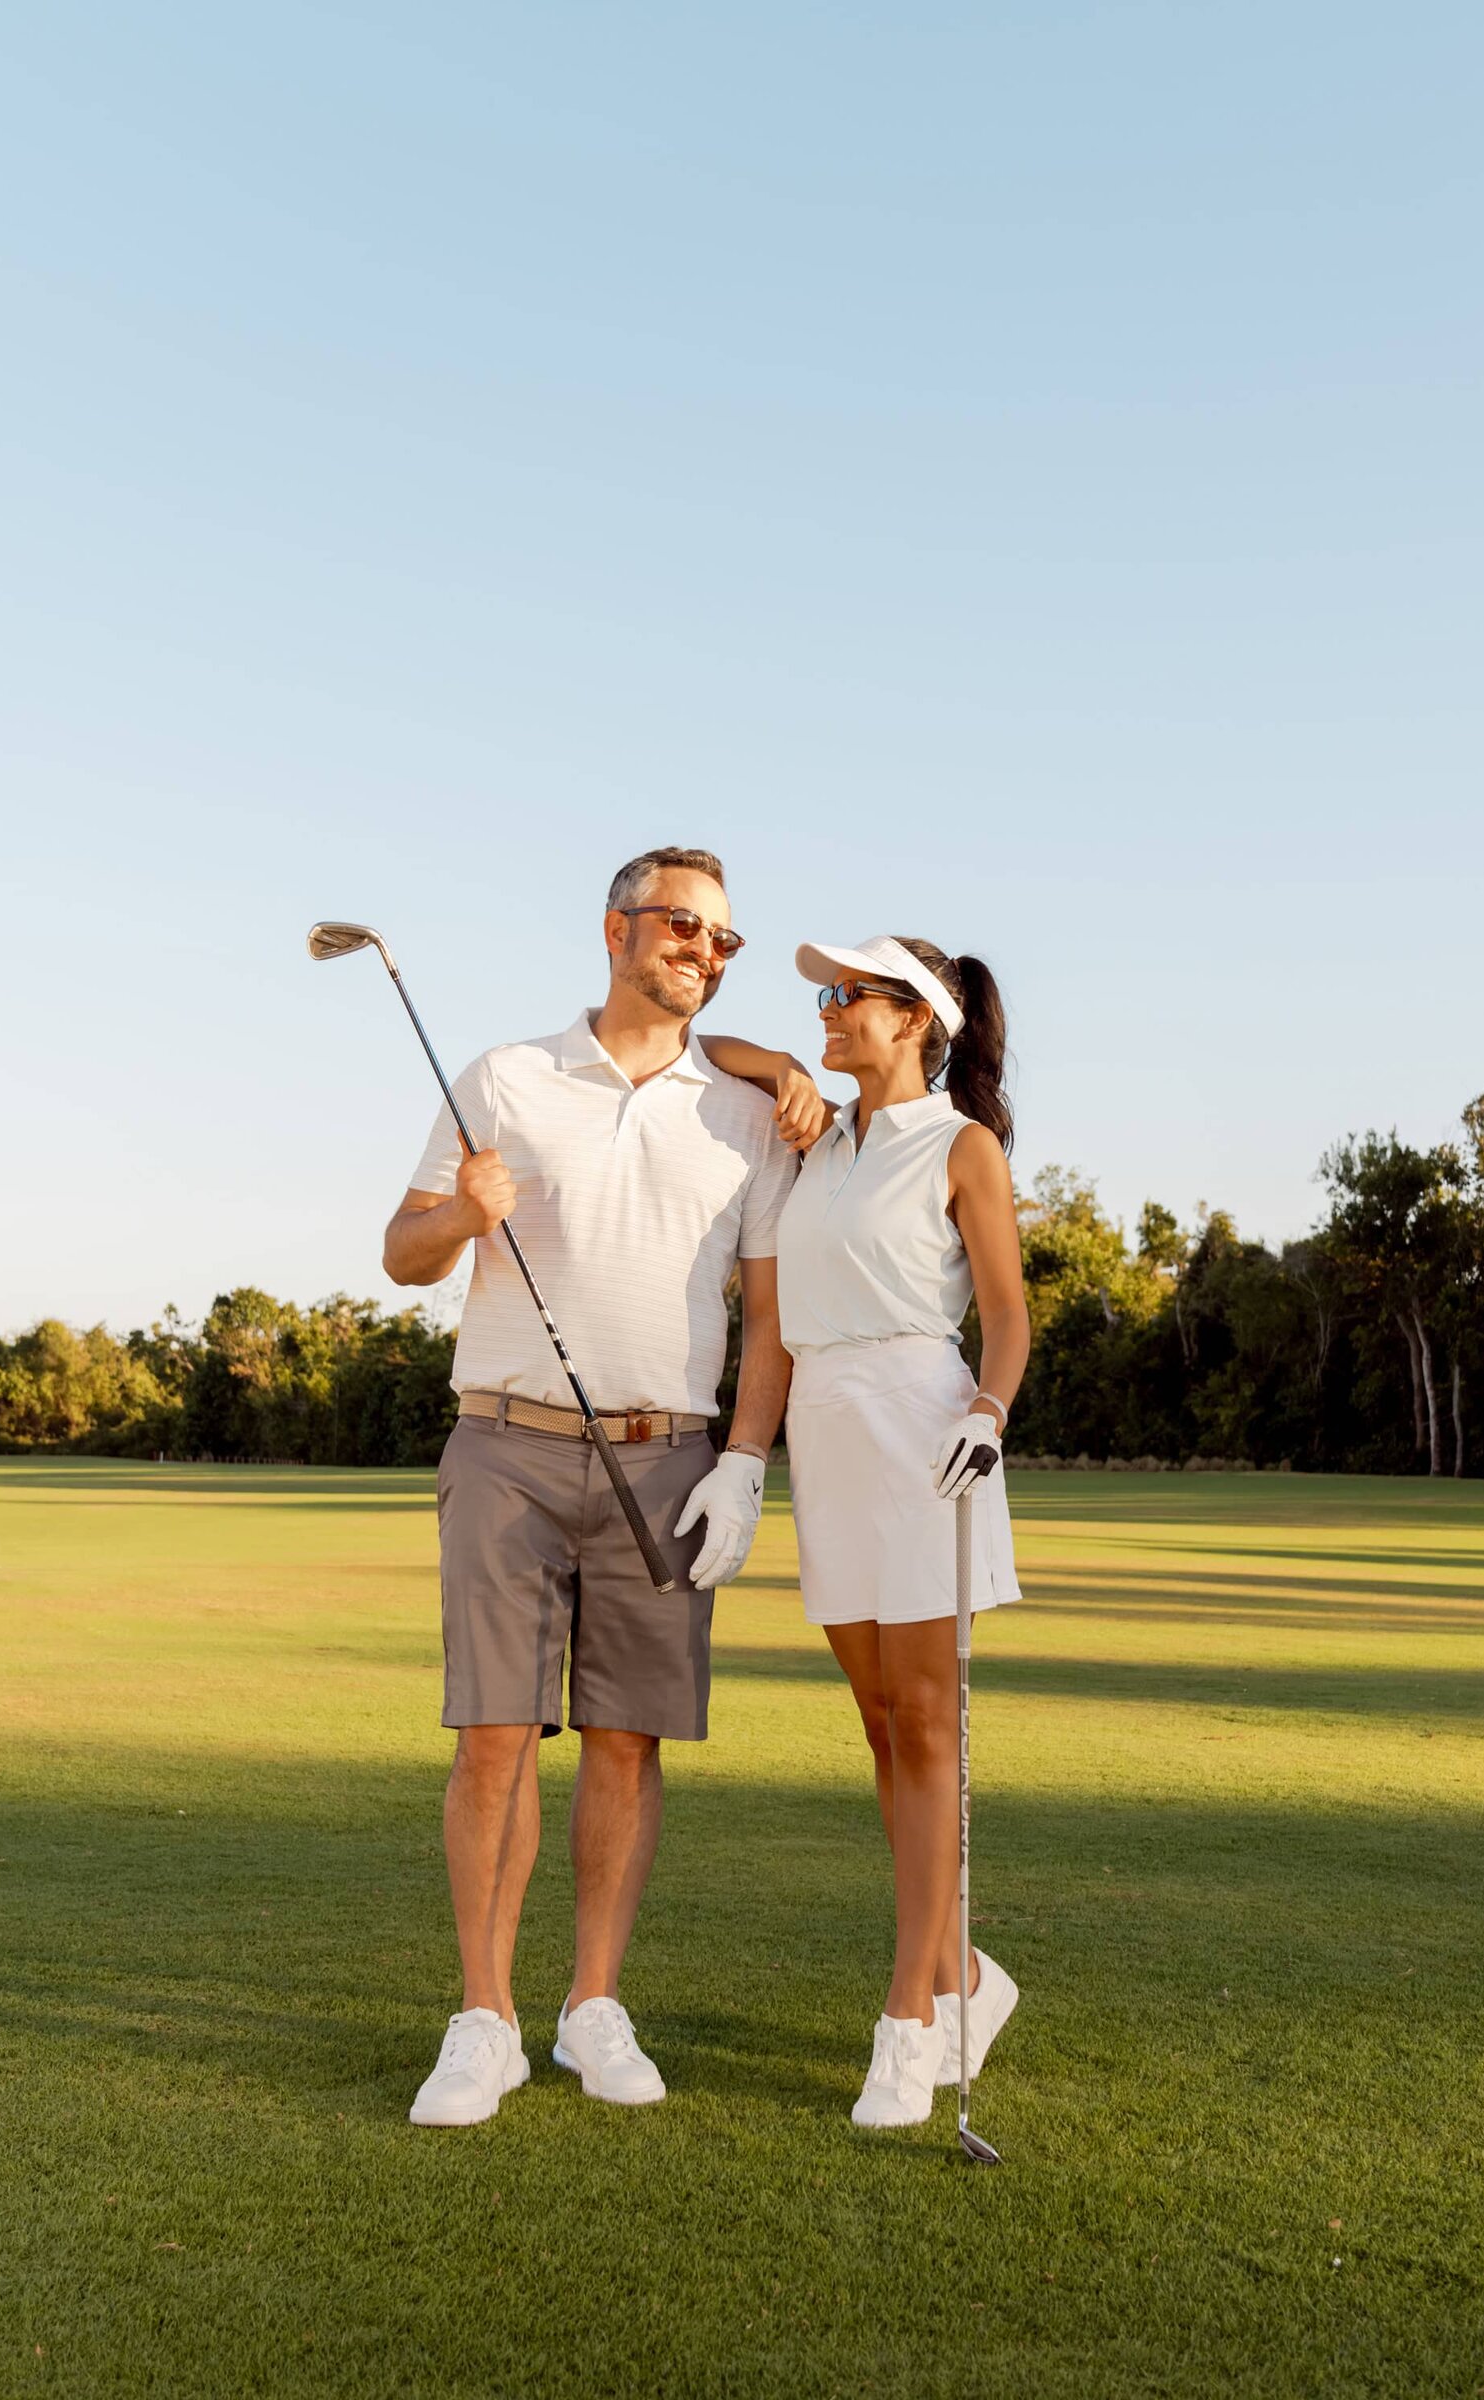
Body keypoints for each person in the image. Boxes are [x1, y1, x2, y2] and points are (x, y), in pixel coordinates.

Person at [383, 847, 796, 2127]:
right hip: (505, 1445)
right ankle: (485, 2021)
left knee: (628, 1739)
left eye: (723, 939)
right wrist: (462, 1215)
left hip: (668, 1457)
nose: (705, 952)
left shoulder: (750, 1112)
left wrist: (744, 1462)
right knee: (494, 1736)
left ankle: (592, 2007)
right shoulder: (506, 1076)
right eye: (683, 926)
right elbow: (402, 1252)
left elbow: (771, 1318)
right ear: (616, 931)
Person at [706, 935, 1029, 2128]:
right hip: (829, 1433)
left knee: (928, 1722)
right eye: (826, 996)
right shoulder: (817, 1138)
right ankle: (964, 1979)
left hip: (927, 1427)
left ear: (916, 1019)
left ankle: (909, 2019)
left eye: (850, 997)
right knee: (883, 1726)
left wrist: (990, 1411)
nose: (829, 1010)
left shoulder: (961, 1146)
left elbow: (1007, 1314)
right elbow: (706, 1047)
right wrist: (790, 1069)